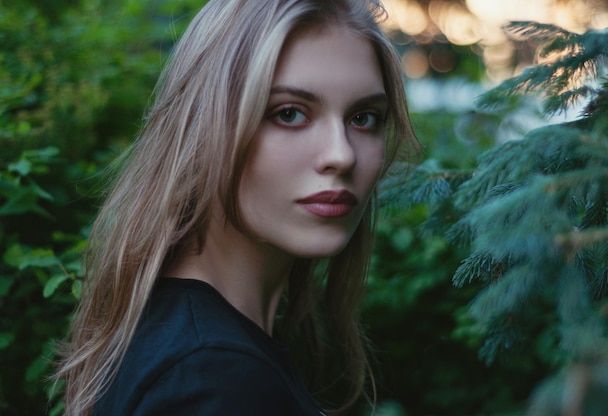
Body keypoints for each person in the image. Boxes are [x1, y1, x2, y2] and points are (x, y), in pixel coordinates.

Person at [52, 0, 419, 414]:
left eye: (364, 118)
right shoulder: (212, 375)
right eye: (290, 113)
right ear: (203, 128)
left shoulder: (188, 339)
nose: (342, 155)